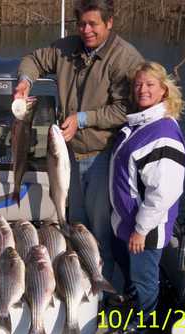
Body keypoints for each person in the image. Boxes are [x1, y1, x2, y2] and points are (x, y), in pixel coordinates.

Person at [14, 0, 143, 283]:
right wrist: (25, 82)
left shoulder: (125, 59)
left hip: (102, 157)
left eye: (93, 24)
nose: (86, 30)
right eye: (81, 24)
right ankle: (77, 282)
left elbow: (127, 108)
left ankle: (101, 290)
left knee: (99, 231)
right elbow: (33, 60)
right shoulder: (66, 48)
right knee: (76, 224)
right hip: (68, 155)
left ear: (109, 22)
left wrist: (83, 119)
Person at [107, 61, 185, 334]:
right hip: (127, 225)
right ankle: (133, 306)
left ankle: (142, 327)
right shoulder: (143, 122)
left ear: (164, 91)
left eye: (150, 85)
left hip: (144, 231)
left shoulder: (163, 133)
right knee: (132, 274)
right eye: (138, 84)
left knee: (144, 280)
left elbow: (164, 192)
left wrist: (140, 230)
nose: (142, 90)